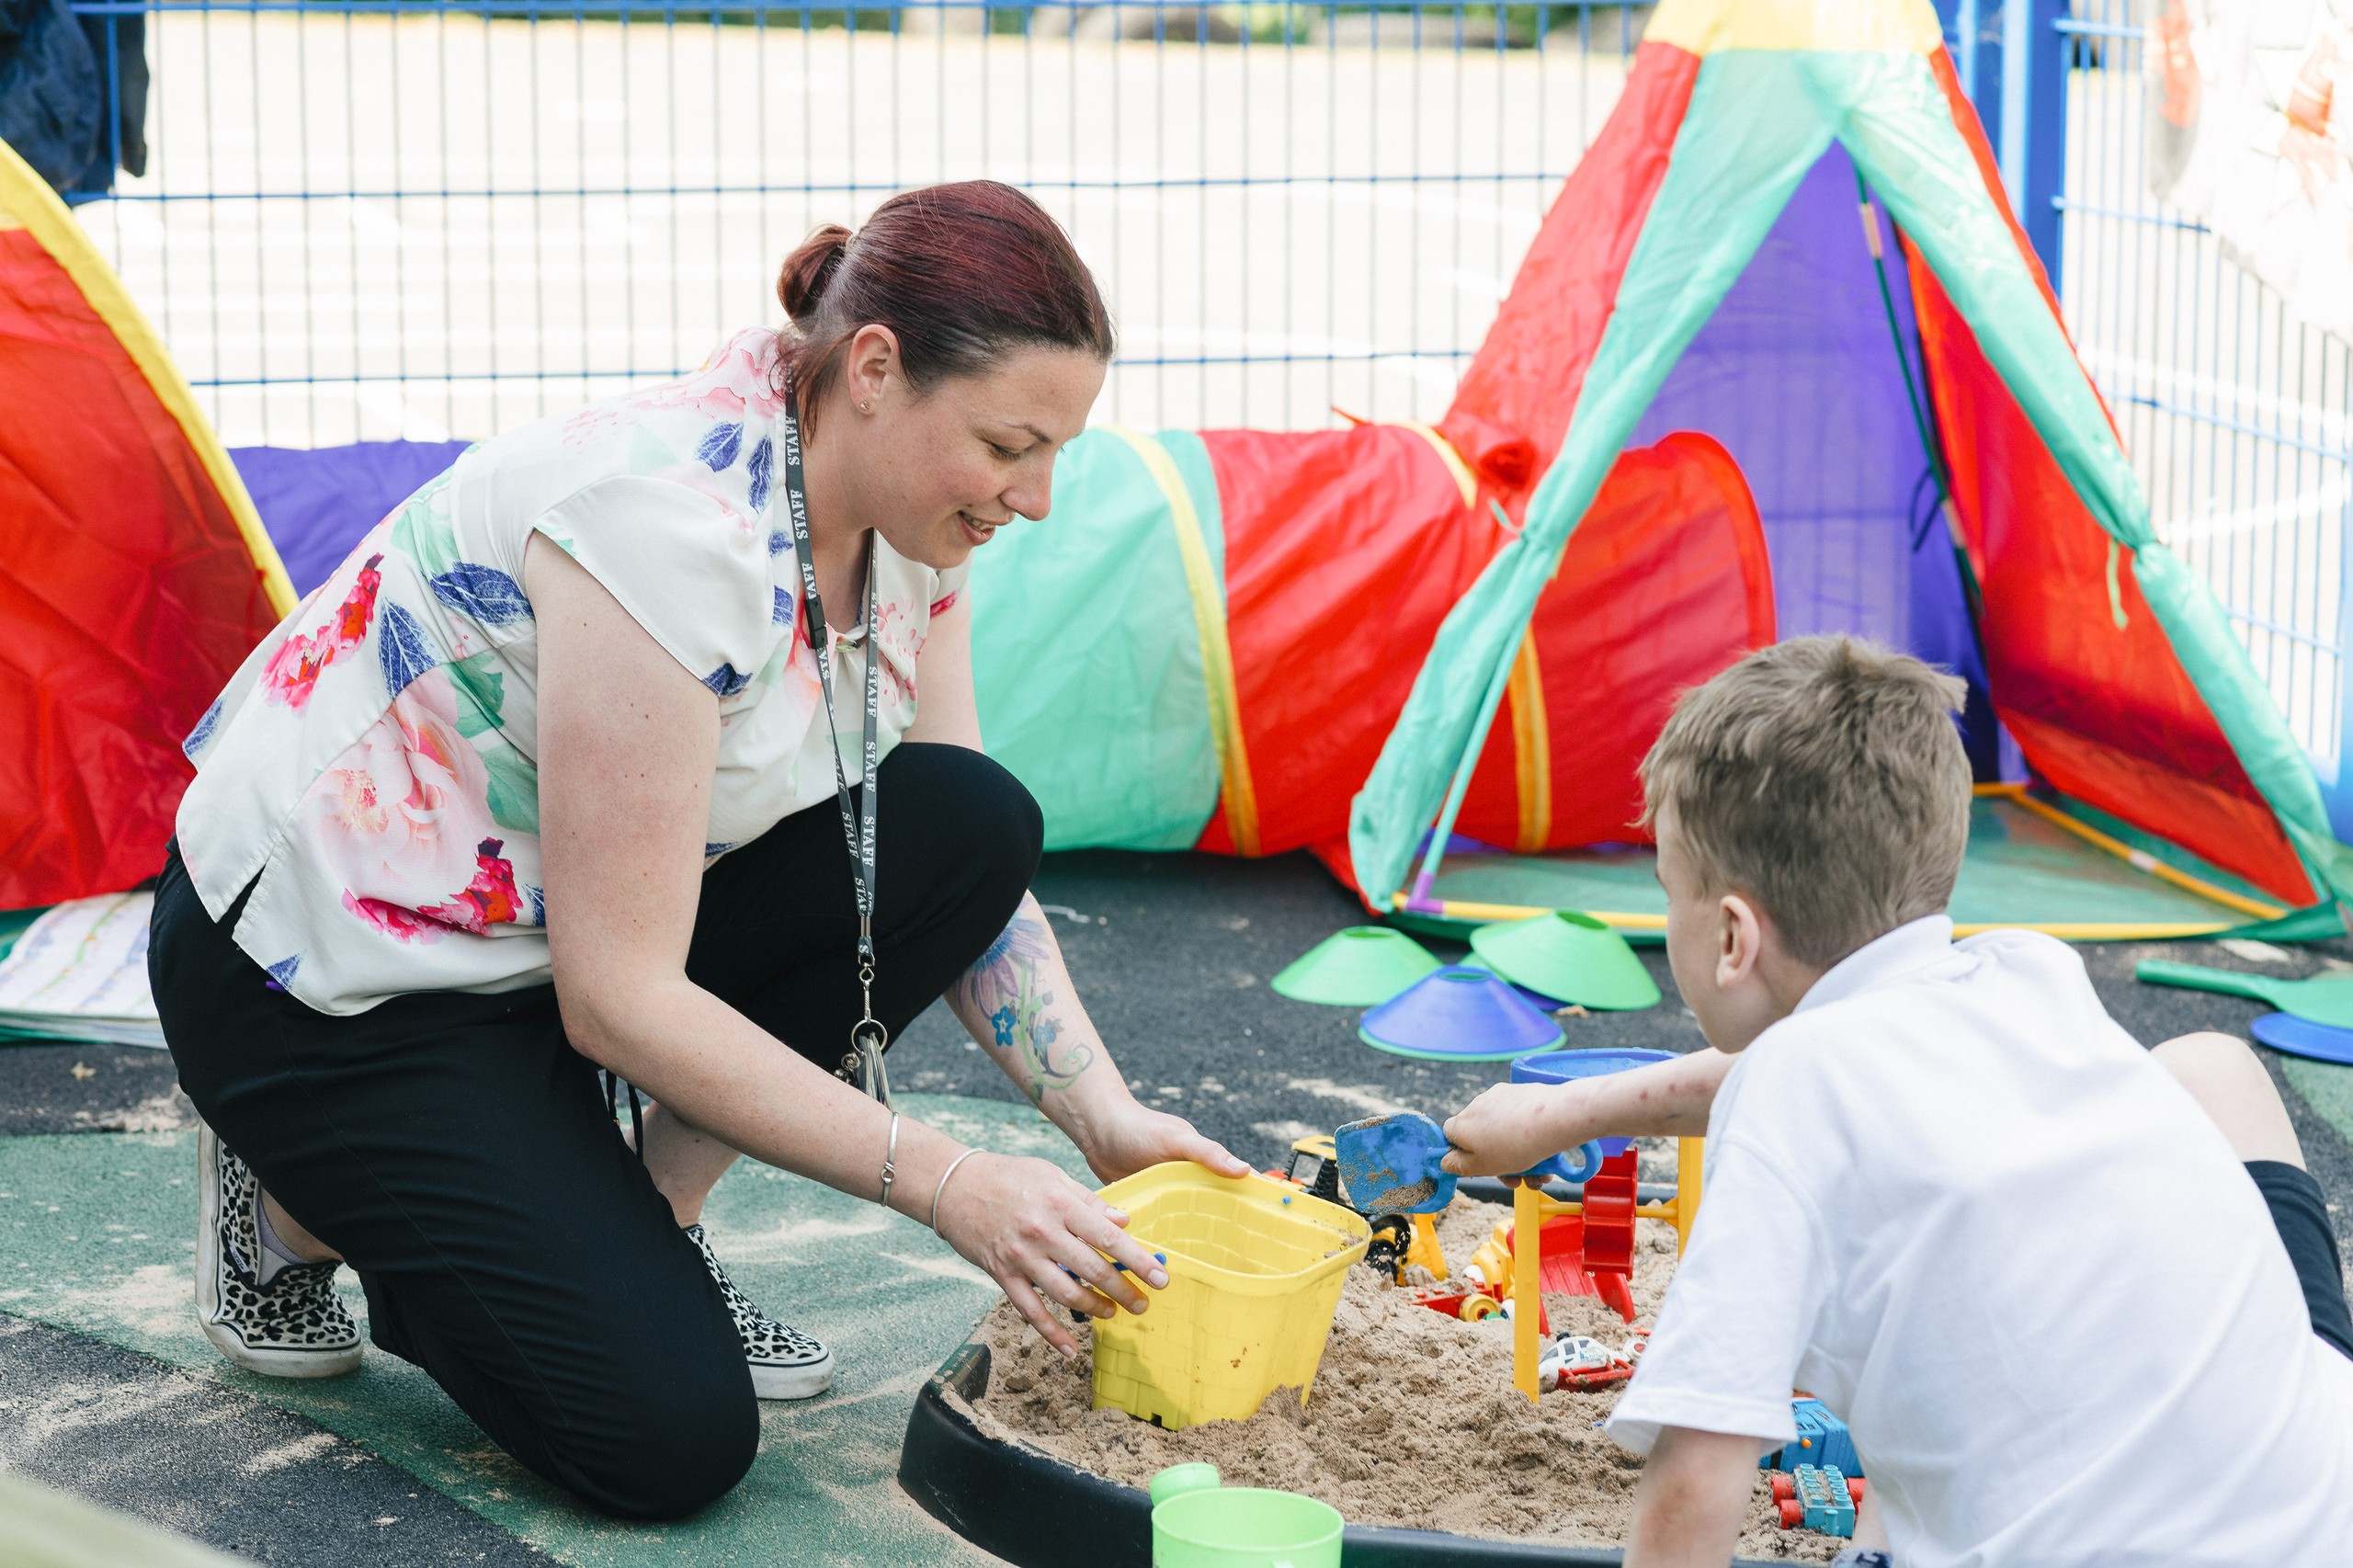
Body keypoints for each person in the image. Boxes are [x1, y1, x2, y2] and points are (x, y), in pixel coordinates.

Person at [149, 180, 1248, 1521]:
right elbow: (618, 1002)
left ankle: (643, 1218)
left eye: (1060, 449)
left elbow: (953, 852)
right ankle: (292, 1201)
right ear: (876, 368)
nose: (1038, 496)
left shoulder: (912, 522)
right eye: (1014, 444)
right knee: (664, 1439)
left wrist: (1105, 1119)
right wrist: (954, 1180)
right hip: (328, 978)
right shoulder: (664, 532)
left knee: (971, 817)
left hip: (538, 941)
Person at [1441, 636, 2353, 1566]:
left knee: (1883, 1521)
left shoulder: (1790, 1094)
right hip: (2317, 1502)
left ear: (1729, 937)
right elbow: (1810, 1071)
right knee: (2208, 1065)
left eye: (1667, 889)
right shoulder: (2024, 970)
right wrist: (1560, 1114)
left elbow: (1693, 1483)